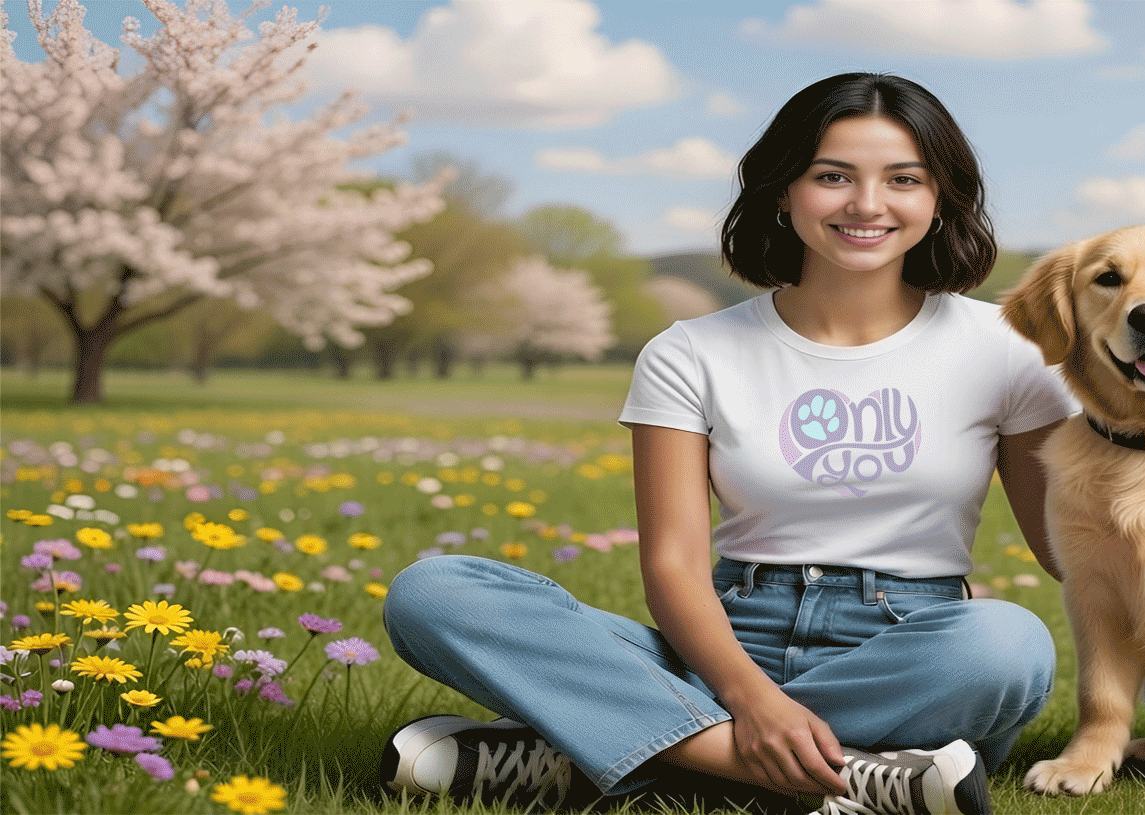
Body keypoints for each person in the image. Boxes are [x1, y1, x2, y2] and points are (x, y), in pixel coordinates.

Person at [379, 72, 1076, 815]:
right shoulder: (691, 351)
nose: (867, 205)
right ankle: (853, 776)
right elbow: (673, 562)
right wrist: (749, 697)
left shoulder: (1008, 348)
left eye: (902, 179)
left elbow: (1071, 547)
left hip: (912, 650)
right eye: (831, 176)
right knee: (434, 591)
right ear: (783, 191)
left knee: (1006, 643)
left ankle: (614, 752)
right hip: (722, 642)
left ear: (940, 198)